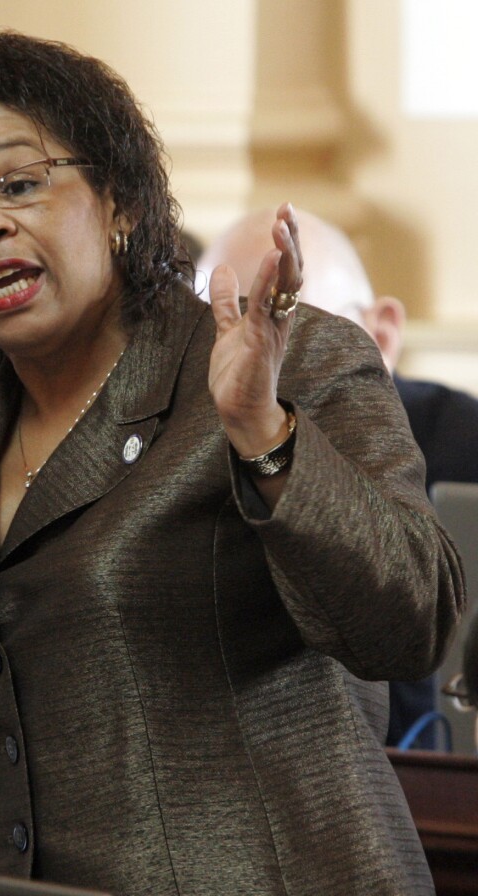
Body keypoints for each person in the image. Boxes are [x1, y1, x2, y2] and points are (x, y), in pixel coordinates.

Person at [0, 31, 463, 895]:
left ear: (121, 203)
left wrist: (262, 431)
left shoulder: (281, 361)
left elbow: (412, 624)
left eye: (20, 184)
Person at [200, 206, 478, 748]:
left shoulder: (466, 442)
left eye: (298, 335)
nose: (255, 359)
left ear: (383, 333)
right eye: (224, 334)